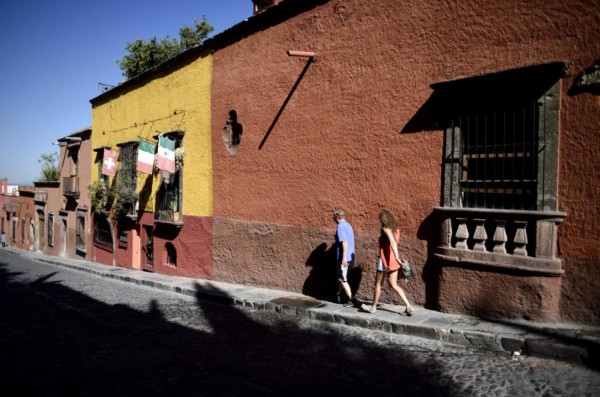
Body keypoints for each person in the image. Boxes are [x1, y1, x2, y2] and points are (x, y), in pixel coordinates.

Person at [363, 209, 414, 316]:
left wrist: (397, 256)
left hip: (385, 260)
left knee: (378, 284)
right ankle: (408, 306)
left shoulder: (386, 228)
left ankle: (373, 308)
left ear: (383, 220)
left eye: (380, 219)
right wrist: (397, 258)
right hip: (393, 261)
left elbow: (393, 242)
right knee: (394, 285)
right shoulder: (397, 229)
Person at [332, 208, 356, 307]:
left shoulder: (340, 227)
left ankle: (352, 300)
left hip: (344, 258)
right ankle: (338, 294)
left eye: (334, 218)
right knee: (342, 277)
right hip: (351, 256)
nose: (333, 220)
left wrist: (343, 258)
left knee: (343, 279)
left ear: (337, 217)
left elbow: (344, 242)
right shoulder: (348, 225)